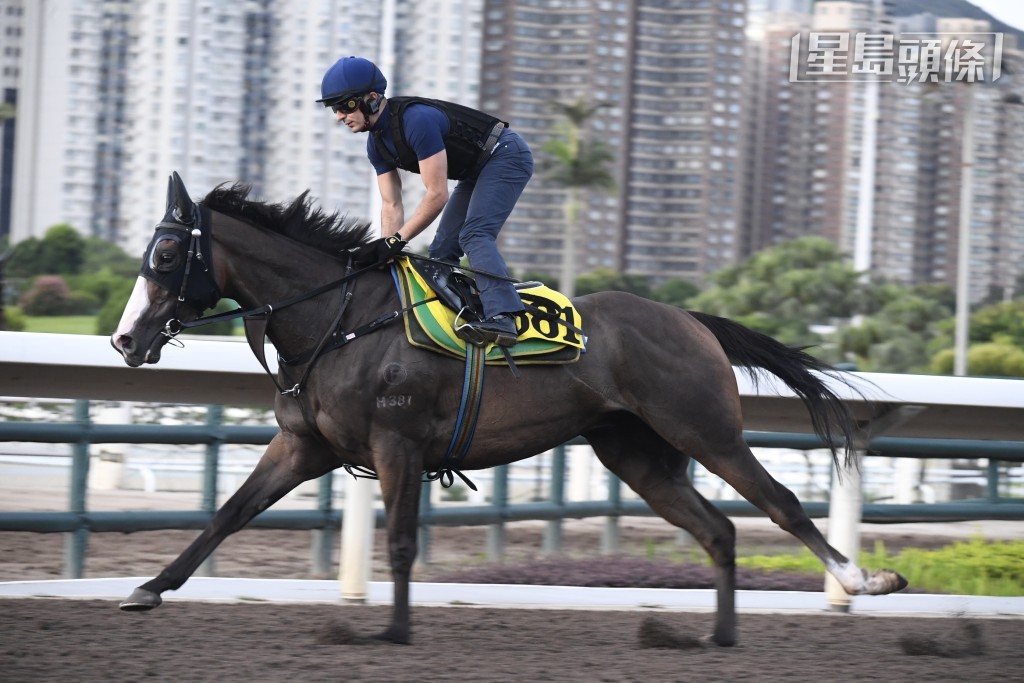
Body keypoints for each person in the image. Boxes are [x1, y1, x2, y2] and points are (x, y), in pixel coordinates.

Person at [318, 55, 533, 347]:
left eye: (345, 106)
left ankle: (503, 318)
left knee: (474, 234)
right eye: (335, 109)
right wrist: (386, 251)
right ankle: (460, 316)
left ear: (371, 99)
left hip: (506, 155)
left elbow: (437, 194)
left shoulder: (415, 120)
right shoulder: (376, 144)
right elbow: (391, 204)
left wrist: (396, 241)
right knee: (441, 251)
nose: (340, 116)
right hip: (476, 170)